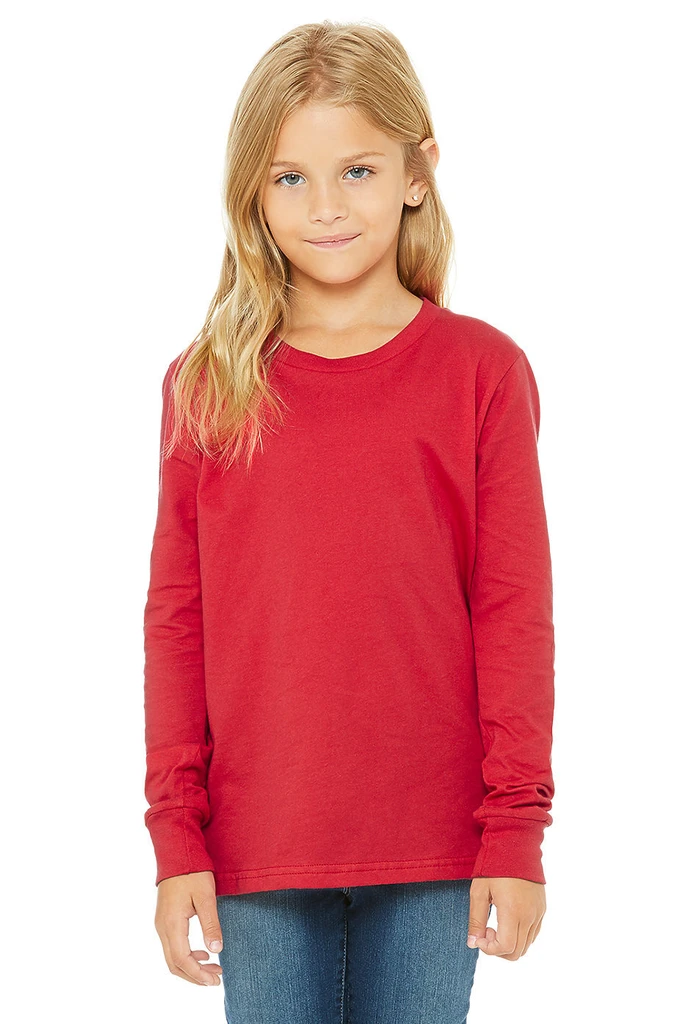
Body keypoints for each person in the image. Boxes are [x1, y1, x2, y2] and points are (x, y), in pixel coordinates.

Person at [142, 19, 555, 1024]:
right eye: (289, 179)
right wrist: (175, 836)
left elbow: (511, 612)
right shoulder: (208, 383)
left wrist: (514, 831)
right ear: (252, 193)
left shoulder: (480, 372)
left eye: (356, 171)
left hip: (436, 846)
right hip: (257, 841)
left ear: (418, 172)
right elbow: (177, 620)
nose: (324, 207)